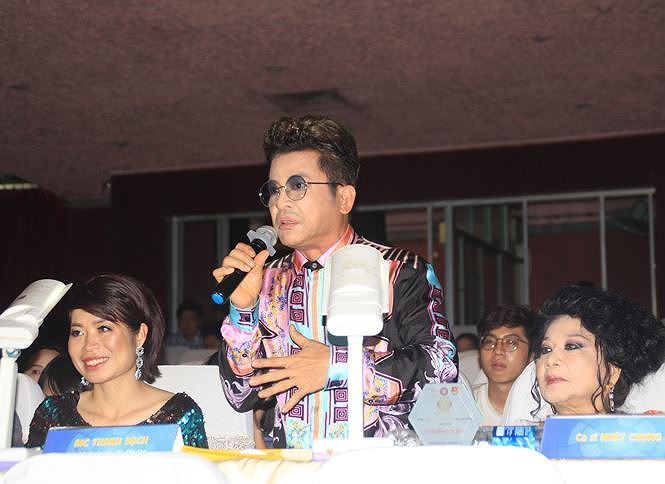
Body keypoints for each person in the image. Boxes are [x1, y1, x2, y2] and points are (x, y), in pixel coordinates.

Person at [213, 115, 457, 448]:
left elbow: (443, 368)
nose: (280, 202)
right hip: (290, 467)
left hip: (378, 464)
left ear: (344, 198)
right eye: (273, 190)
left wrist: (337, 366)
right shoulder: (265, 279)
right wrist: (244, 312)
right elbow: (240, 395)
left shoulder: (398, 270)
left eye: (297, 186)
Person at [27, 274, 208, 448]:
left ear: (140, 335)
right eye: (77, 332)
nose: (88, 345)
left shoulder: (178, 417)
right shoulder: (54, 414)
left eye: (103, 328)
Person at [533, 285, 665, 415]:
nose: (550, 360)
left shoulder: (647, 427)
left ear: (613, 371)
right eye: (546, 349)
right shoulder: (525, 429)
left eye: (571, 346)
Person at [473, 305, 539, 426]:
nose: (498, 351)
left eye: (511, 342)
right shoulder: (464, 407)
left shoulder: (547, 408)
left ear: (532, 355)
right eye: (489, 341)